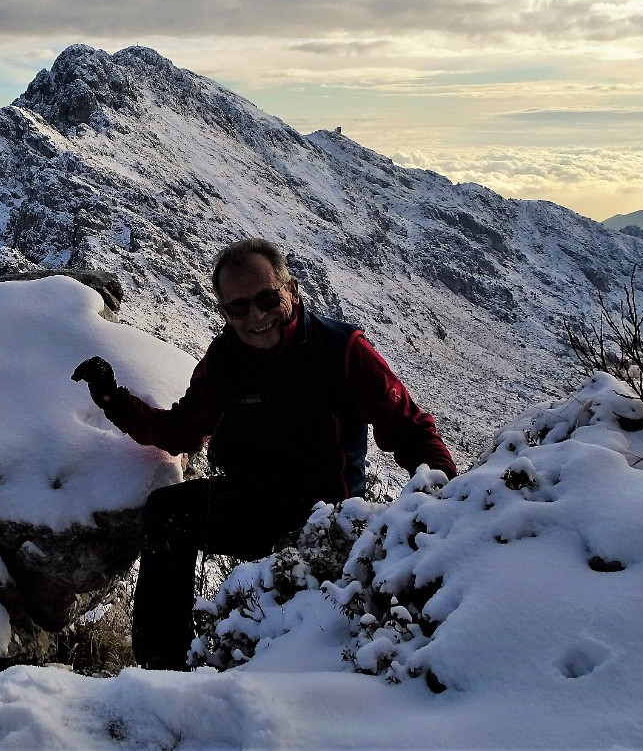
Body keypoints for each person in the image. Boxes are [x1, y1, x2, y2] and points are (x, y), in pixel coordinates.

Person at [72, 238, 456, 670]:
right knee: (168, 512)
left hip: (325, 516)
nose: (256, 316)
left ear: (290, 289)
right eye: (239, 308)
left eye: (267, 298)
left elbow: (407, 426)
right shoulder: (223, 361)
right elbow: (182, 430)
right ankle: (163, 667)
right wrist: (114, 401)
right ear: (224, 313)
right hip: (250, 503)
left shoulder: (343, 351)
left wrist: (444, 498)